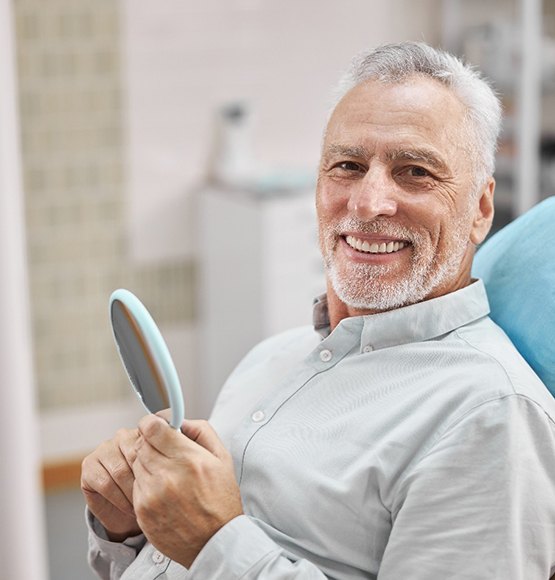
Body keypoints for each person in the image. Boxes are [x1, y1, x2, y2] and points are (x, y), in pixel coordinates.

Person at [81, 41, 555, 579]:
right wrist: (127, 531)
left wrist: (214, 543)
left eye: (415, 172)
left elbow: (208, 548)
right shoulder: (271, 358)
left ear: (481, 208)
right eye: (347, 166)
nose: (367, 203)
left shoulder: (490, 416)